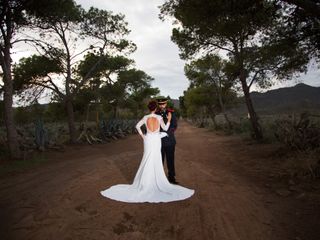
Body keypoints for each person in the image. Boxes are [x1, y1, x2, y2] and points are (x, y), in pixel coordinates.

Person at [100, 100, 194, 203]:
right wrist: (169, 119)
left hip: (148, 139)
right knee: (156, 158)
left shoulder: (145, 117)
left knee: (147, 158)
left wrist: (143, 136)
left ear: (149, 108)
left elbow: (137, 126)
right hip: (156, 140)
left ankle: (145, 182)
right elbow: (166, 128)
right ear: (156, 108)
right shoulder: (159, 117)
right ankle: (157, 180)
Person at [155, 98, 178, 184]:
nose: (161, 105)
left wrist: (167, 132)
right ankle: (159, 179)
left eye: (163, 104)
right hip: (158, 141)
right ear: (158, 104)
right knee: (159, 160)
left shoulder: (171, 112)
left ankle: (171, 178)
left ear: (166, 104)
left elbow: (174, 125)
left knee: (170, 160)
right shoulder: (156, 114)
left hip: (170, 141)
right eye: (160, 104)